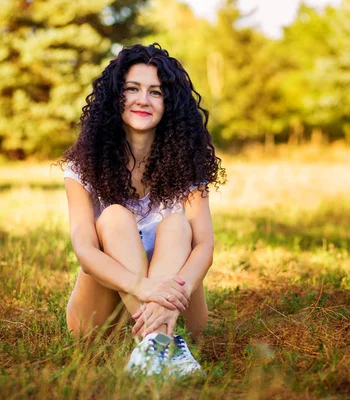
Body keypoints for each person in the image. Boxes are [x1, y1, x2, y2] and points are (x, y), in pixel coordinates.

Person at [60, 43, 226, 377]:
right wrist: (143, 287)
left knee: (178, 225)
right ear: (114, 97)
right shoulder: (81, 168)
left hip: (175, 314)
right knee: (115, 217)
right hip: (99, 322)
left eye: (156, 92)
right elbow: (85, 251)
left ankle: (157, 344)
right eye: (132, 89)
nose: (143, 100)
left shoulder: (188, 168)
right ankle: (161, 344)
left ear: (171, 103)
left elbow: (205, 246)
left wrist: (171, 295)